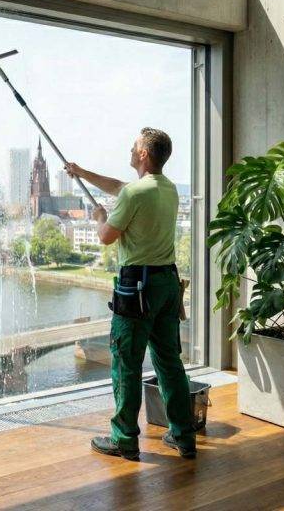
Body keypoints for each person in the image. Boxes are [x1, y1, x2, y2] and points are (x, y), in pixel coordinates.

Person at [65, 127, 195, 461]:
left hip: (137, 286)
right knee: (169, 362)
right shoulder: (167, 189)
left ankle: (124, 439)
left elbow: (106, 237)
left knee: (126, 363)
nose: (130, 149)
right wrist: (81, 173)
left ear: (143, 154)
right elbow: (118, 186)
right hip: (167, 283)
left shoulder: (135, 194)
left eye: (134, 146)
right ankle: (183, 435)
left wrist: (100, 217)